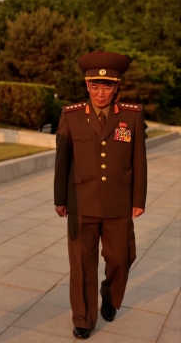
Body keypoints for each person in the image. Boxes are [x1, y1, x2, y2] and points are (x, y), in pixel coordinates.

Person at [54, 52, 147, 339]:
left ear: (117, 87)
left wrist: (138, 200)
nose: (100, 93)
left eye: (107, 87)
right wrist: (60, 199)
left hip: (119, 201)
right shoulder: (71, 116)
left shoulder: (131, 116)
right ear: (87, 86)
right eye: (95, 87)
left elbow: (139, 160)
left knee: (121, 257)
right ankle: (83, 318)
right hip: (81, 200)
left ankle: (110, 296)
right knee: (82, 263)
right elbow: (62, 160)